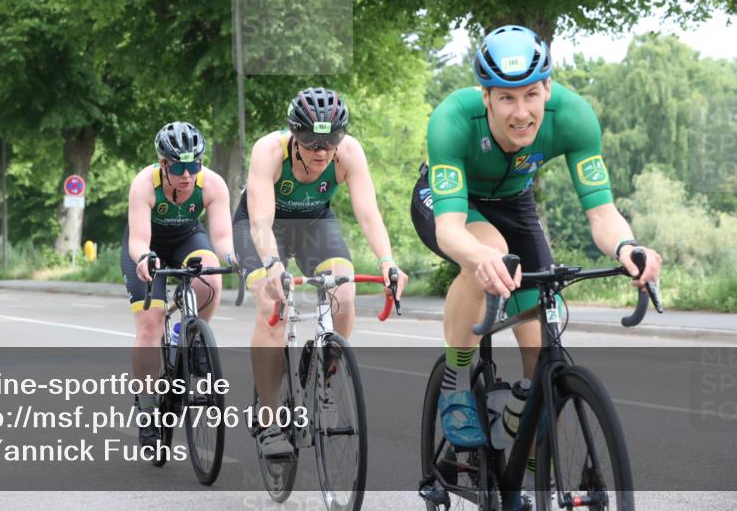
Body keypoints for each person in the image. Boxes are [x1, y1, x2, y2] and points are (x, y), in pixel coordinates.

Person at [410, 25, 663, 506]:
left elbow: (602, 212)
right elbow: (450, 229)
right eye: (506, 98)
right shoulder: (453, 119)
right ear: (484, 96)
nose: (522, 112)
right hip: (451, 205)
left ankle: (527, 463)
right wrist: (480, 256)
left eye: (532, 94)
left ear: (548, 87)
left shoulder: (574, 118)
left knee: (543, 346)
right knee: (486, 249)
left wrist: (627, 248)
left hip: (515, 204)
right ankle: (457, 379)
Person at [235, 86, 409, 456]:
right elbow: (261, 224)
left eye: (330, 141)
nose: (322, 151)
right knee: (272, 309)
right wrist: (272, 265)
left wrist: (387, 261)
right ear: (294, 136)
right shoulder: (269, 151)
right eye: (311, 142)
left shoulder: (348, 154)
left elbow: (368, 213)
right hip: (264, 227)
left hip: (315, 224)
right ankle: (268, 420)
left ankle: (324, 376)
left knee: (344, 294)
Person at [122, 121, 234, 451]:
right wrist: (144, 258)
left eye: (194, 165)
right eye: (180, 167)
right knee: (149, 325)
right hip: (147, 246)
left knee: (211, 277)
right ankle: (146, 410)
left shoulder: (212, 184)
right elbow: (140, 239)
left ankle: (189, 336)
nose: (188, 175)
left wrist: (237, 258)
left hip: (187, 237)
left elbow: (223, 238)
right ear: (164, 163)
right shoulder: (145, 184)